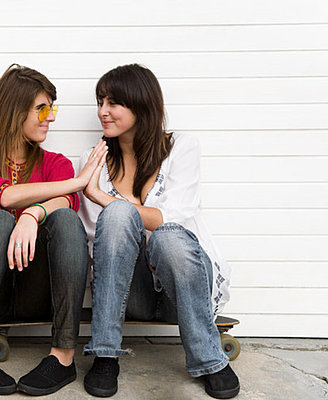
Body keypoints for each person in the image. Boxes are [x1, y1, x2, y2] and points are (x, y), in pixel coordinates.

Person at [77, 64, 240, 399]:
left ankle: (210, 358)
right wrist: (103, 201)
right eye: (100, 102)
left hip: (184, 288)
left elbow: (174, 218)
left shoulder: (181, 147)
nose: (102, 112)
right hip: (130, 294)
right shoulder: (93, 160)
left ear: (142, 104)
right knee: (119, 215)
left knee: (166, 236)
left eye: (113, 103)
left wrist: (100, 197)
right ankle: (105, 354)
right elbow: (100, 237)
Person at [0, 64, 107, 396]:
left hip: (37, 294)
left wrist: (32, 215)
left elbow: (66, 202)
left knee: (64, 220)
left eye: (52, 108)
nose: (50, 117)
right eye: (42, 108)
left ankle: (63, 357)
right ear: (13, 110)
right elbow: (2, 197)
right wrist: (77, 183)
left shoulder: (56, 164)